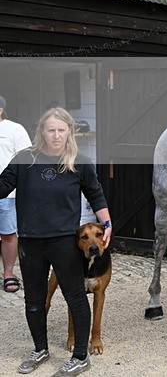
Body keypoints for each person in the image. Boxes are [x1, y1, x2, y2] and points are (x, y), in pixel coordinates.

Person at [0, 107, 111, 376]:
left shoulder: (79, 161)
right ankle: (40, 349)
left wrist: (106, 224)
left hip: (64, 241)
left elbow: (96, 194)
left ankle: (81, 356)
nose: (56, 135)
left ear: (69, 131)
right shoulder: (24, 159)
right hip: (31, 240)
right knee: (34, 300)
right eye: (51, 130)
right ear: (41, 131)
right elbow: (2, 186)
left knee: (75, 296)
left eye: (62, 130)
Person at [0, 95, 32, 294]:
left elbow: (26, 160)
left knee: (9, 234)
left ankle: (8, 273)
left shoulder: (15, 129)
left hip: (7, 193)